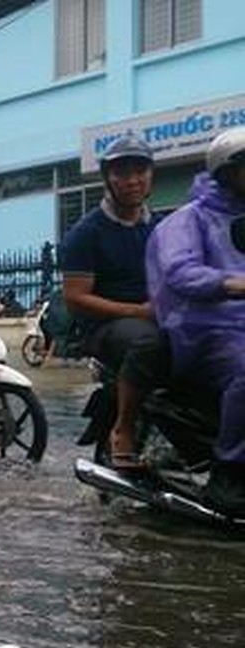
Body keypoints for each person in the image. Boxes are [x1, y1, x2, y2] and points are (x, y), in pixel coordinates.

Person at [145, 128, 245, 514]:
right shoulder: (189, 219)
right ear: (227, 171)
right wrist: (231, 283)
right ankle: (230, 469)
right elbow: (179, 271)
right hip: (204, 330)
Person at [62, 134, 166, 469]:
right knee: (148, 343)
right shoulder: (87, 233)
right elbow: (76, 298)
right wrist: (138, 311)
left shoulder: (162, 228)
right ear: (108, 179)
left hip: (158, 314)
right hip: (106, 327)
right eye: (123, 173)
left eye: (140, 171)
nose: (133, 180)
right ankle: (122, 429)